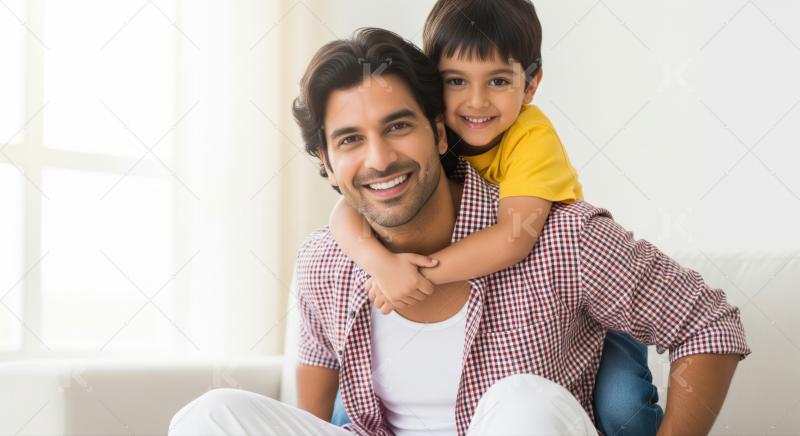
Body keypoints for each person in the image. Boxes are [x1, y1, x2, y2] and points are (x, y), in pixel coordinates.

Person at [168, 26, 749, 436]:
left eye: (398, 126)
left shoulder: (556, 234)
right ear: (326, 162)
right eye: (349, 140)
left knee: (521, 400)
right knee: (208, 418)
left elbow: (707, 323)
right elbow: (310, 423)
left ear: (441, 134)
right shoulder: (327, 261)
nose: (379, 159)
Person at [328, 1, 660, 433]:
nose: (476, 101)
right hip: (495, 289)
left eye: (499, 80)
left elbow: (513, 238)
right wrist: (383, 265)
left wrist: (419, 275)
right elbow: (342, 210)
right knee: (349, 409)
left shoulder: (531, 139)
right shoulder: (432, 135)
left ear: (531, 83)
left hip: (585, 306)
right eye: (456, 81)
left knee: (623, 407)